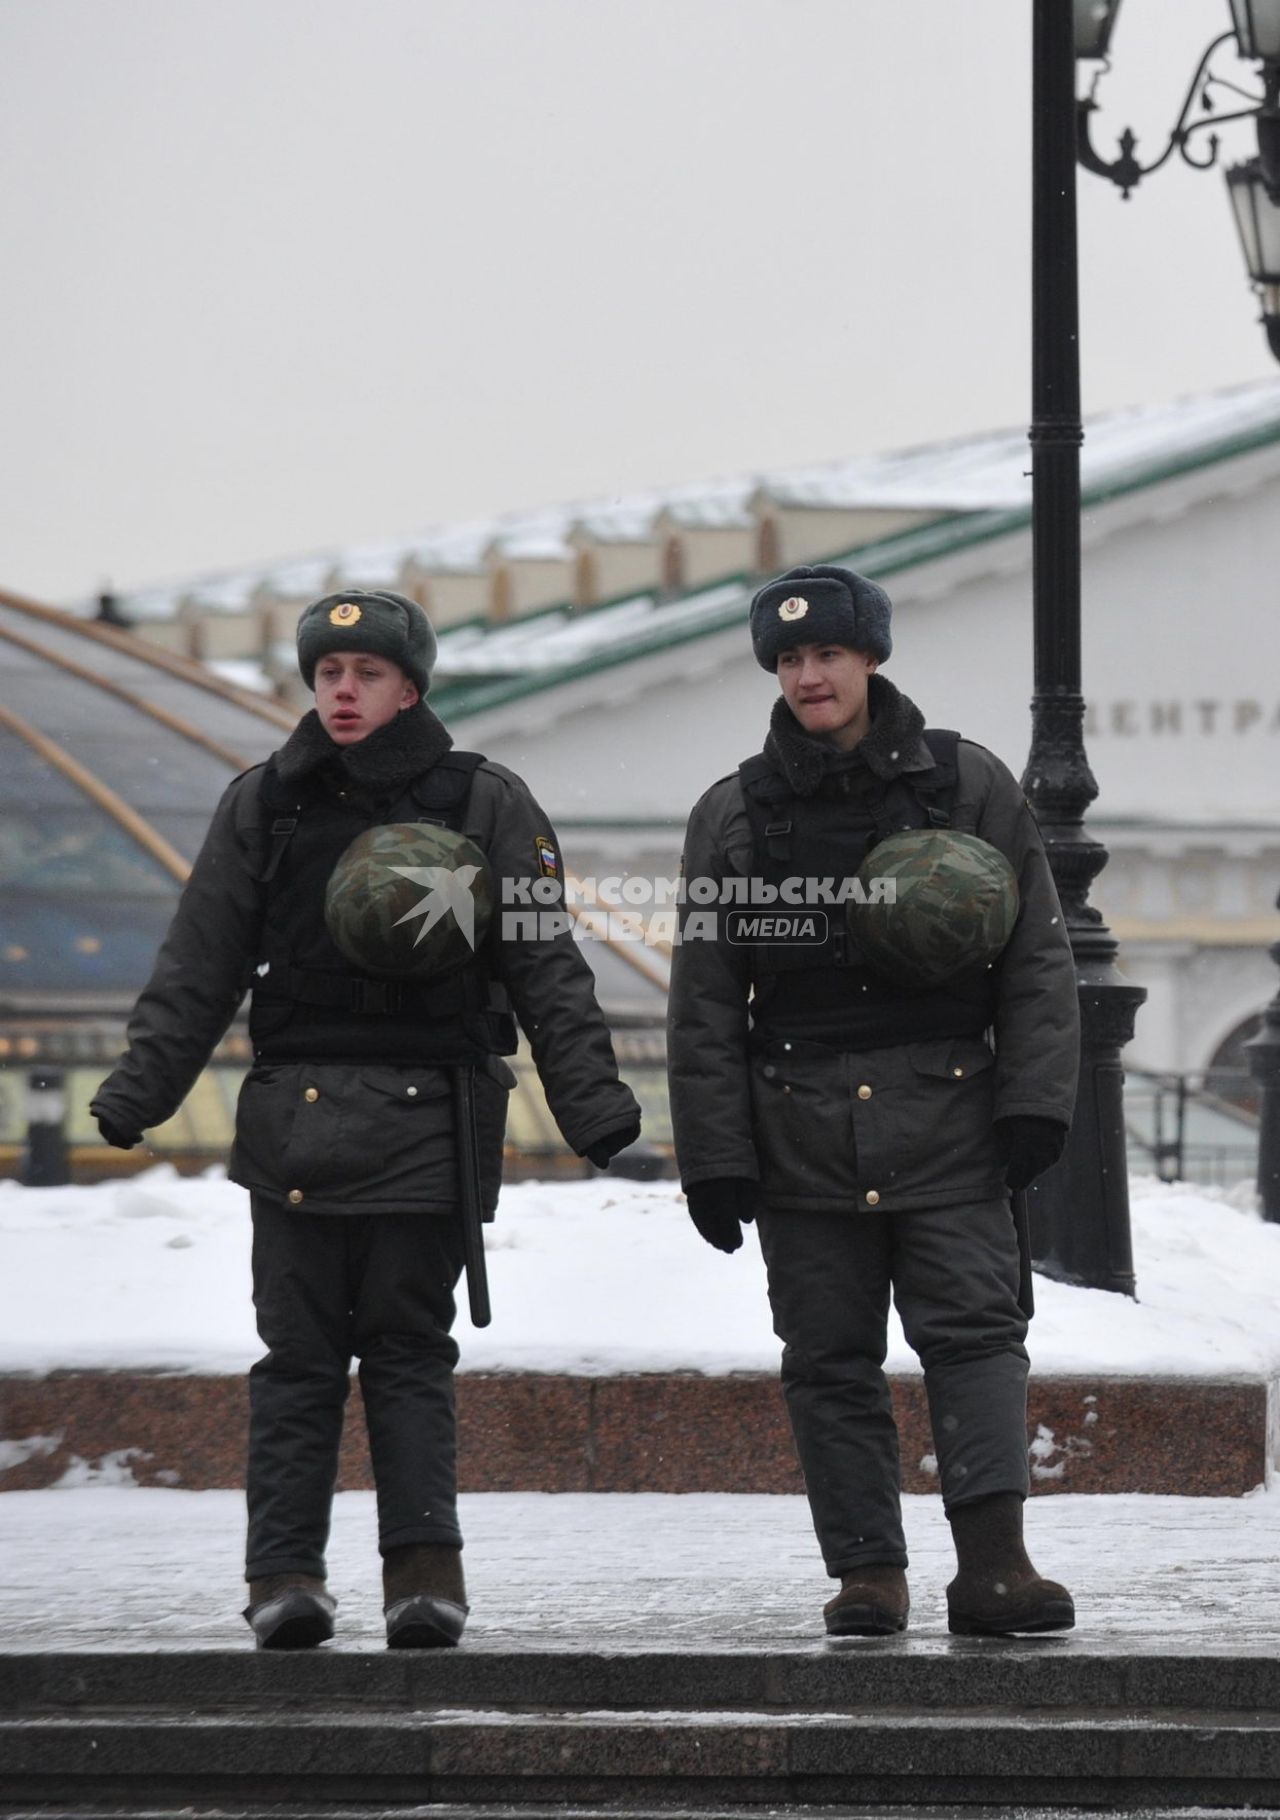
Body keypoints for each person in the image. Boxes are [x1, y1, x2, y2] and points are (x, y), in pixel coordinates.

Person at [92, 589, 640, 1650]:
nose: (342, 692)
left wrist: (596, 1110)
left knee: (405, 1350)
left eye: (366, 675)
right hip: (293, 1128)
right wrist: (137, 1090)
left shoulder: (485, 800)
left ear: (411, 687)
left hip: (430, 1123)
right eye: (327, 675)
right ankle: (284, 1577)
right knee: (295, 1357)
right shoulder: (265, 802)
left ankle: (424, 1579)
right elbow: (198, 962)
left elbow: (546, 968)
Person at [666, 564, 1079, 1638]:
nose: (808, 674)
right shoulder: (733, 813)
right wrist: (712, 1155)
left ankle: (994, 1566)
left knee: (976, 1338)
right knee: (827, 1359)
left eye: (828, 655)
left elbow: (1035, 958)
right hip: (797, 1128)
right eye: (790, 658)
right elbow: (704, 996)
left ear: (869, 659)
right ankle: (866, 1574)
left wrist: (1034, 1103)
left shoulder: (968, 783)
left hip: (948, 1116)